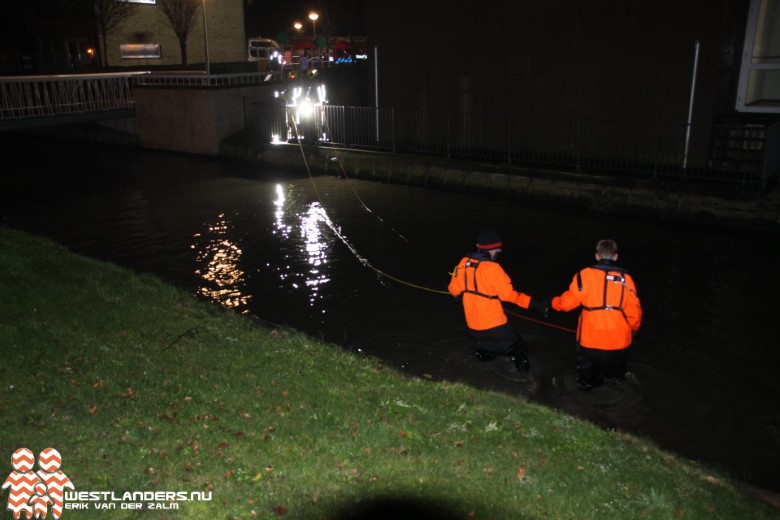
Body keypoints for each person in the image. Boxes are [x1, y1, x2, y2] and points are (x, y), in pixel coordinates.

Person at [448, 229, 549, 379]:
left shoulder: (464, 263)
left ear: (478, 246)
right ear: (493, 250)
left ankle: (486, 381)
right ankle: (527, 382)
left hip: (473, 327)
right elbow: (510, 296)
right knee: (520, 351)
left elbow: (452, 289)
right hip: (495, 326)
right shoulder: (494, 269)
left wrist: (459, 296)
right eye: (498, 250)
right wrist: (536, 305)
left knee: (485, 357)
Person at [548, 239, 642, 391]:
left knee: (587, 382)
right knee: (616, 381)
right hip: (619, 342)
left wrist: (551, 304)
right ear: (616, 257)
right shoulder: (626, 279)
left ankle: (585, 406)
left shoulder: (584, 275)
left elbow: (566, 304)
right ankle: (619, 407)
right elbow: (635, 311)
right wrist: (632, 329)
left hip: (590, 341)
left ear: (597, 256)